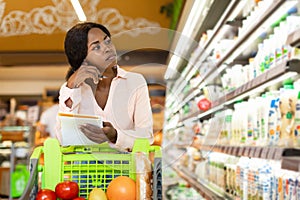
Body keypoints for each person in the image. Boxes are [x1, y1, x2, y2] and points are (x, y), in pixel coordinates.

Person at [57, 22, 154, 151]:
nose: (107, 49)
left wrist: (116, 136)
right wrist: (71, 88)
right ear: (82, 57)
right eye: (96, 47)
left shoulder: (135, 82)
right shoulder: (71, 89)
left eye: (107, 42)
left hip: (125, 168)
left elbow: (147, 137)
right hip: (82, 169)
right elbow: (63, 139)